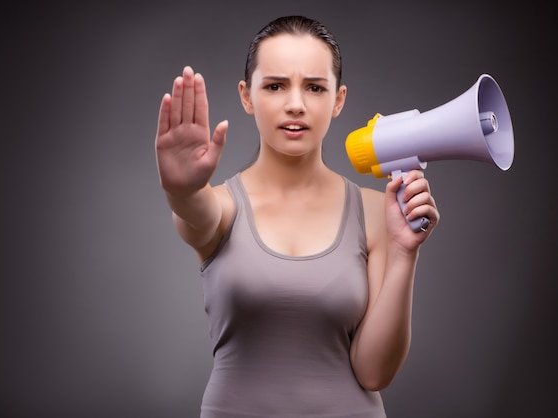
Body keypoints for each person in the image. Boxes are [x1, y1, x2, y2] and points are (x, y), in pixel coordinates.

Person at [154, 15, 439, 418]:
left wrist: (405, 250)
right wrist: (180, 189)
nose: (295, 104)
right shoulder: (221, 208)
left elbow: (374, 373)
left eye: (314, 87)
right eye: (274, 85)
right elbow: (191, 210)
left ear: (337, 100)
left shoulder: (379, 211)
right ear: (246, 96)